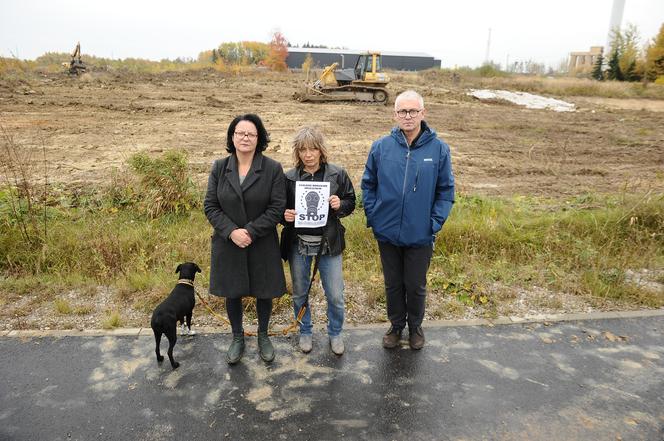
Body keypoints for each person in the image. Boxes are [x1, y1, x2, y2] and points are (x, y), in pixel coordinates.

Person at [361, 90, 455, 350]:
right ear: (395, 114)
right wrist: (374, 216)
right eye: (402, 111)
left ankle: (415, 327)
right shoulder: (381, 147)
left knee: (415, 285)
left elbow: (446, 191)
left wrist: (433, 223)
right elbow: (368, 185)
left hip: (420, 233)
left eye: (413, 111)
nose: (408, 116)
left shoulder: (438, 149)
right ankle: (396, 326)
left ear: (423, 113)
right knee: (393, 284)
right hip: (387, 231)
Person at [204, 113, 287, 364]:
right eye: (240, 133)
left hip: (261, 241)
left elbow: (276, 207)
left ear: (259, 138)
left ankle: (263, 335)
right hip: (229, 242)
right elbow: (210, 206)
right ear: (232, 136)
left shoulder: (272, 169)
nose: (245, 138)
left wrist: (250, 231)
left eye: (251, 134)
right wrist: (231, 232)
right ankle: (237, 337)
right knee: (233, 291)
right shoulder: (220, 167)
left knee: (264, 291)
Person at [281, 126, 355, 355]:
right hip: (298, 243)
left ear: (321, 150)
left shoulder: (337, 174)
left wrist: (339, 205)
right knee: (300, 292)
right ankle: (305, 331)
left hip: (328, 243)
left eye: (313, 148)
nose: (308, 154)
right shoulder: (288, 177)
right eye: (303, 149)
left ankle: (335, 333)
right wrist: (285, 215)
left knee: (334, 294)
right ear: (297, 152)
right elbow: (277, 208)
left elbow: (351, 201)